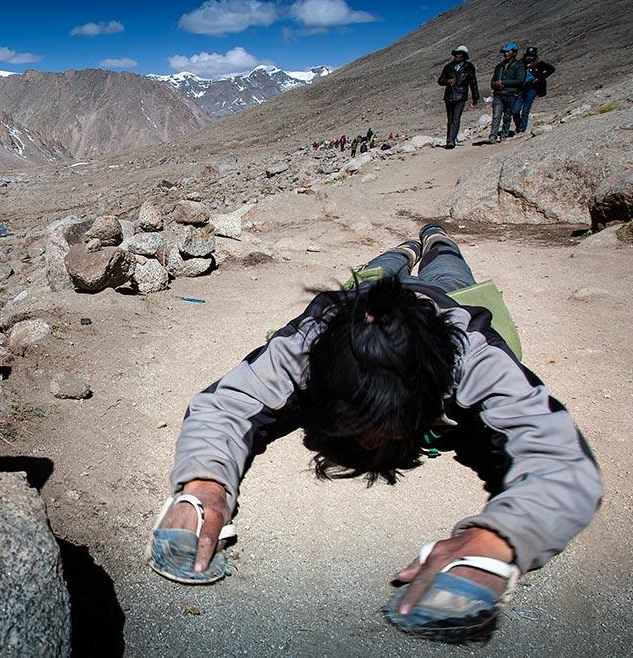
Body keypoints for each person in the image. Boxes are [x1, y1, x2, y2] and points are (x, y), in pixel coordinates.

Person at [146, 224, 602, 644]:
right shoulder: (305, 346)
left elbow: (561, 462)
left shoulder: (475, 359)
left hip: (448, 297)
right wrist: (206, 483)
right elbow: (225, 405)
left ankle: (436, 237)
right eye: (352, 424)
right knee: (381, 271)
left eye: (382, 426)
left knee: (448, 266)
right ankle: (404, 251)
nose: (365, 443)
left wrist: (497, 538)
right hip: (368, 298)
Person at [437, 45, 480, 149]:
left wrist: (475, 97)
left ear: (464, 55)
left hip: (461, 95)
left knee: (456, 118)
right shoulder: (448, 67)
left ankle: (450, 140)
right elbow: (440, 80)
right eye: (456, 53)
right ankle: (450, 138)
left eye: (460, 53)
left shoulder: (469, 67)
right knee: (450, 118)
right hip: (449, 96)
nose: (457, 55)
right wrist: (448, 81)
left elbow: (473, 82)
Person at [489, 43, 526, 142]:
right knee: (496, 115)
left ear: (514, 53)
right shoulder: (499, 67)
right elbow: (492, 81)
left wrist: (504, 83)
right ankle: (493, 135)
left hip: (511, 94)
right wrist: (495, 84)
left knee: (507, 116)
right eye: (504, 52)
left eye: (508, 51)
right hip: (498, 94)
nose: (505, 54)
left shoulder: (519, 65)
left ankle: (504, 134)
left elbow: (520, 80)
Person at [513, 47, 555, 133]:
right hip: (520, 89)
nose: (529, 57)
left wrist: (540, 78)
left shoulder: (539, 64)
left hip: (532, 88)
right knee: (515, 110)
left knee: (525, 110)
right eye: (528, 55)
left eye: (531, 56)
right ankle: (519, 125)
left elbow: (551, 69)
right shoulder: (520, 64)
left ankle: (522, 129)